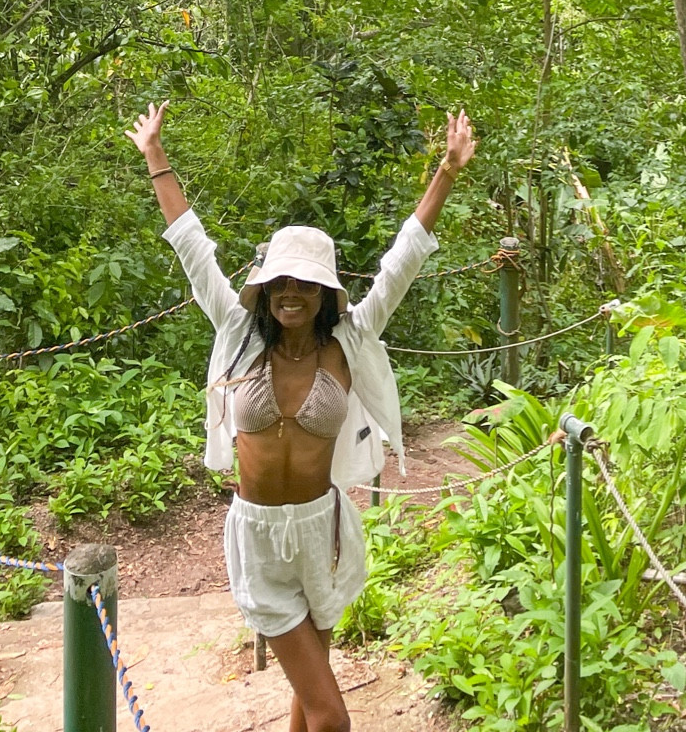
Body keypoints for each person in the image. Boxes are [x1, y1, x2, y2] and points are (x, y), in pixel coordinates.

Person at [126, 99, 476, 732]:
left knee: (308, 700)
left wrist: (447, 171)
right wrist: (156, 157)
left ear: (325, 294)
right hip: (259, 537)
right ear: (265, 286)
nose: (293, 292)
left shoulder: (350, 341)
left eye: (307, 284)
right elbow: (194, 249)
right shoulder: (238, 331)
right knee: (332, 715)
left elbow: (404, 259)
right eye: (282, 280)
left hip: (325, 533)